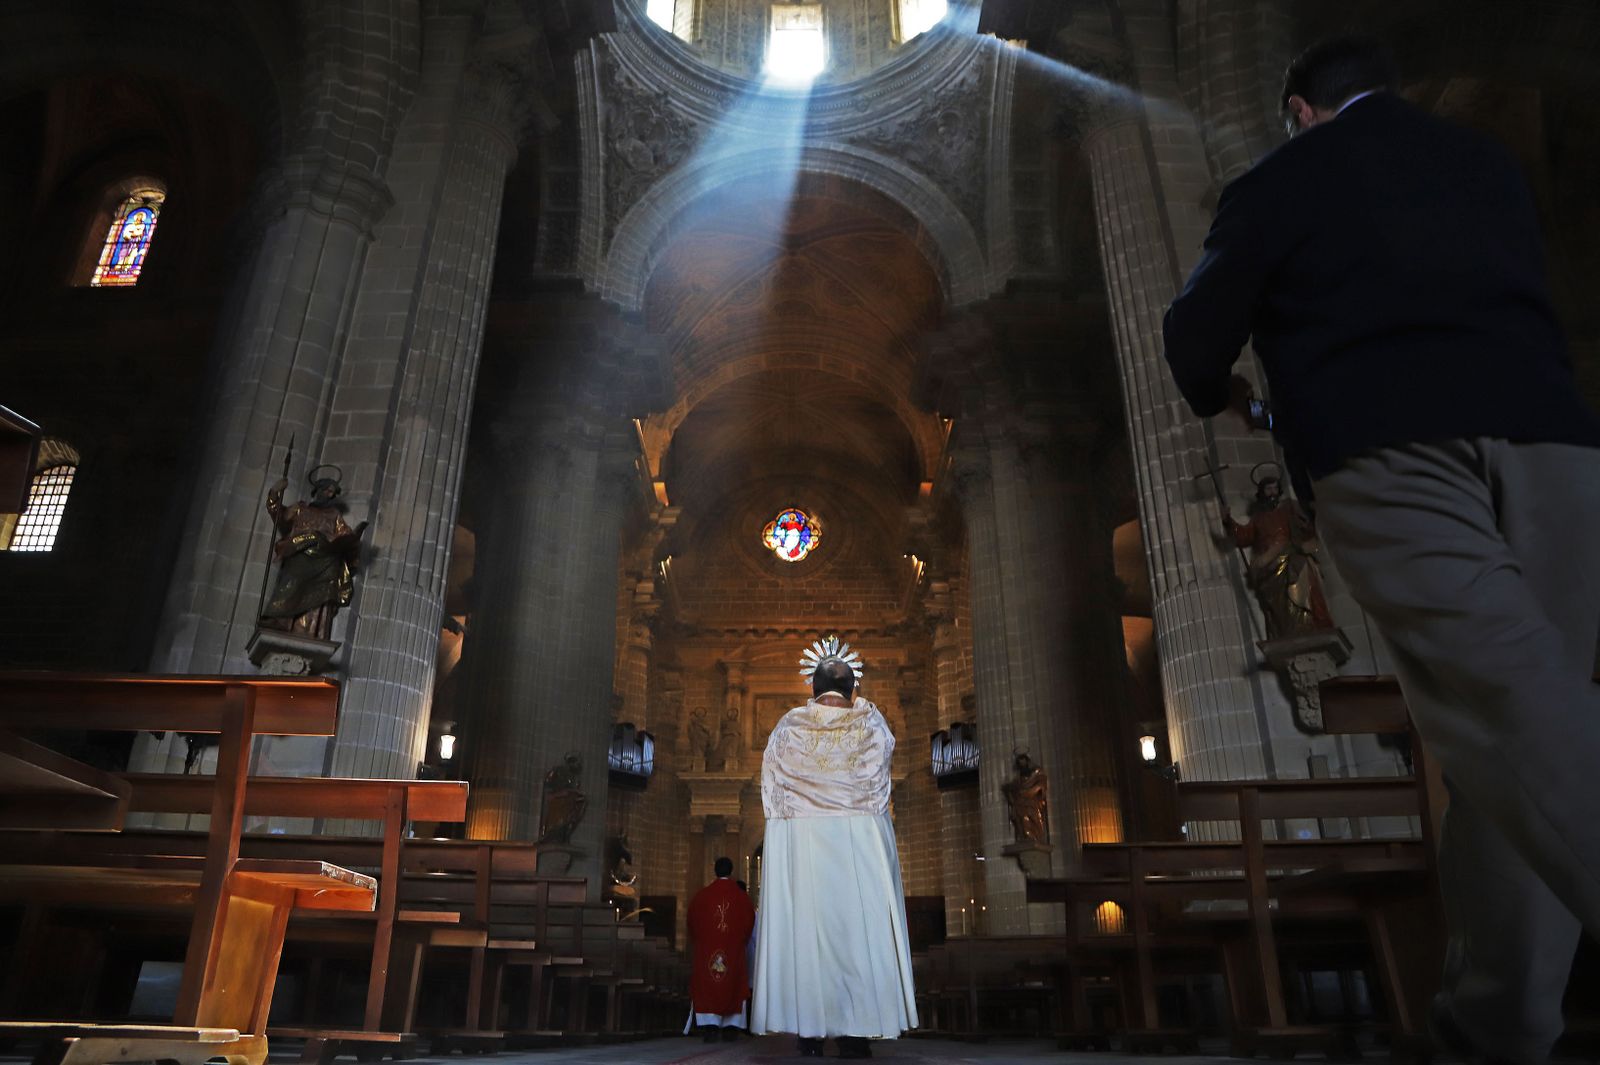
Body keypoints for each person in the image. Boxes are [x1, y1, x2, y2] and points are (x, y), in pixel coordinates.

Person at [1162, 34, 1600, 1065]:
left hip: (1393, 453)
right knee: (1517, 726)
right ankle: (1493, 1027)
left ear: (1297, 111)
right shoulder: (1482, 161)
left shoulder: (1280, 180)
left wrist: (1227, 393)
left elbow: (1194, 337)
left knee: (1515, 716)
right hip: (1558, 453)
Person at [751, 637, 917, 1059]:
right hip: (858, 840)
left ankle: (808, 1032)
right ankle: (856, 1033)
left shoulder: (789, 726)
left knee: (806, 931)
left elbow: (773, 790)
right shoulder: (872, 724)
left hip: (803, 840)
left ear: (812, 687)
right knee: (857, 934)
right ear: (852, 688)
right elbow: (881, 775)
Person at [1222, 475, 1334, 640]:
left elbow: (1306, 527)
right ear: (1262, 493)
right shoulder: (1258, 519)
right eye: (1268, 489)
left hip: (1292, 555)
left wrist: (1309, 520)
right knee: (1280, 603)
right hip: (1269, 566)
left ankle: (1312, 624)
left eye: (1275, 488)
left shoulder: (1289, 509)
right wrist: (1229, 522)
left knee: (1305, 573)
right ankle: (1288, 630)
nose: (1272, 492)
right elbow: (1244, 536)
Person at [260, 470, 366, 640]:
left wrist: (353, 538)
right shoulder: (300, 509)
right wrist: (274, 494)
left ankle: (312, 630)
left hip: (326, 556)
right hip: (301, 551)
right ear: (318, 490)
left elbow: (345, 535)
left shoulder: (334, 515)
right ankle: (279, 618)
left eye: (332, 493)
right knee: (292, 576)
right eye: (327, 490)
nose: (329, 495)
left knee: (330, 576)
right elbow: (280, 516)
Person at [685, 856, 755, 1043]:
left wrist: (701, 942)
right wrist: (740, 941)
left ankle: (711, 1027)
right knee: (732, 981)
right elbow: (749, 923)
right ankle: (731, 1027)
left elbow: (692, 923)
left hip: (707, 950)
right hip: (733, 950)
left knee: (709, 982)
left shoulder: (701, 897)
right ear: (730, 871)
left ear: (715, 871)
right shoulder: (742, 897)